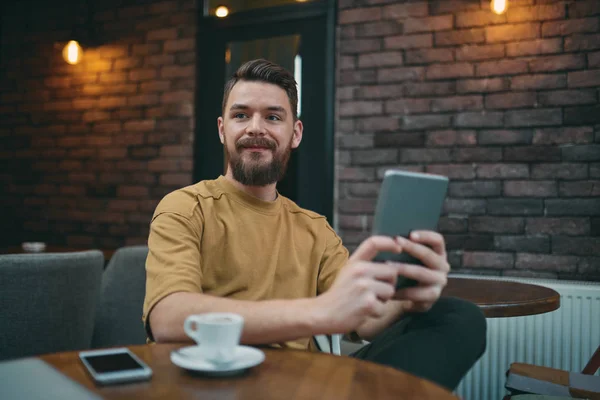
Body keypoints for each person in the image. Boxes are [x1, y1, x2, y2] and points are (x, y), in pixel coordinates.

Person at [142, 59, 486, 390]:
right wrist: (319, 312)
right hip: (215, 383)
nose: (255, 127)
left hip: (301, 385)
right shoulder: (186, 207)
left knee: (458, 316)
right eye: (241, 115)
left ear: (295, 133)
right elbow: (169, 319)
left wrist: (408, 299)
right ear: (222, 129)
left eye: (273, 117)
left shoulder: (314, 229)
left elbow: (364, 321)